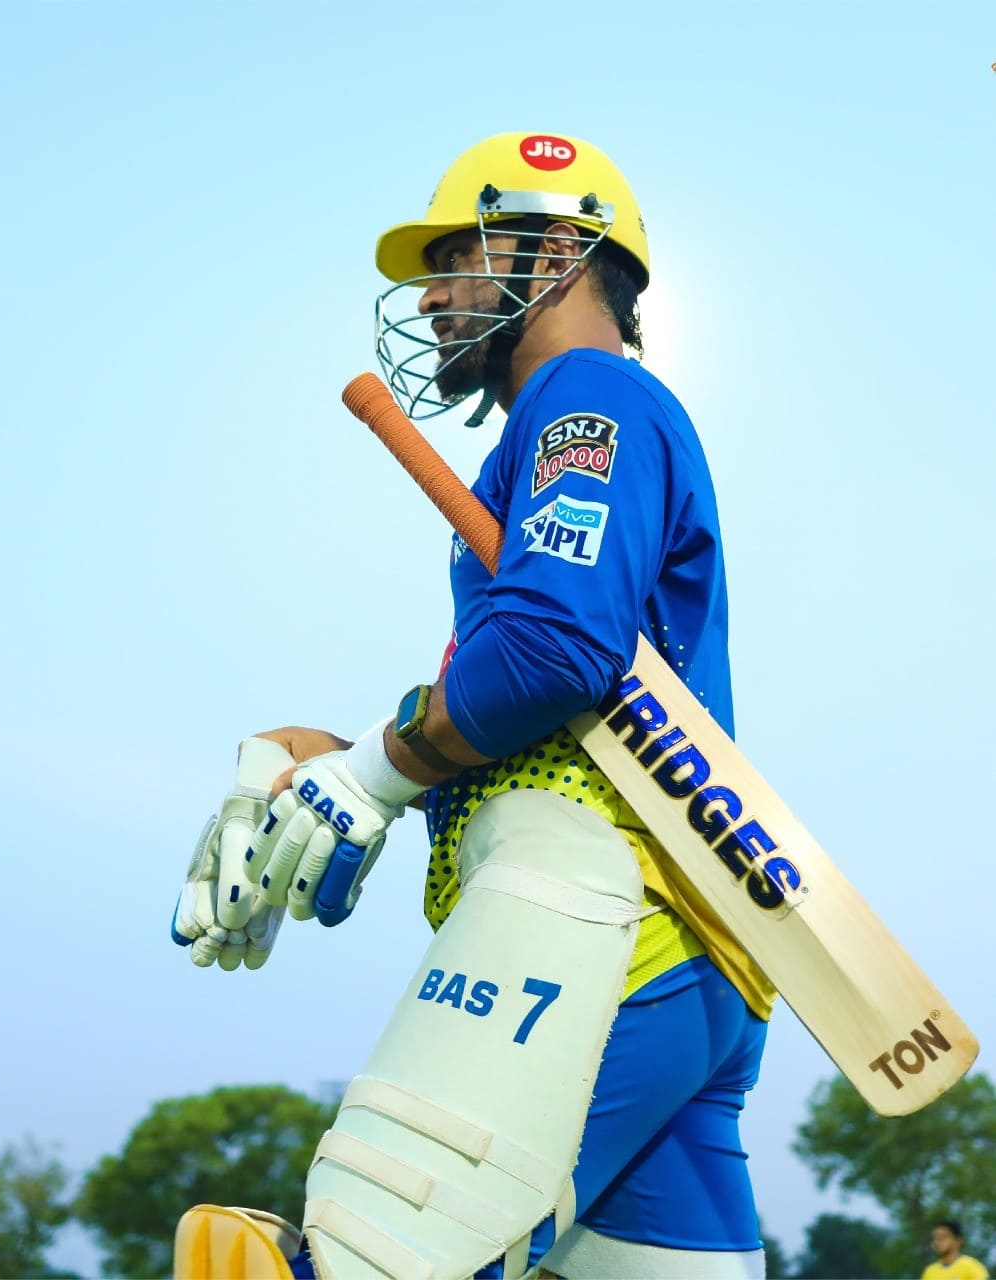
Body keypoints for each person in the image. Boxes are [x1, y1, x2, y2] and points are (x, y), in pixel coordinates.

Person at [172, 131, 778, 1280]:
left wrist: (377, 771)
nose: (433, 293)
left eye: (455, 255)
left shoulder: (585, 398)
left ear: (555, 251)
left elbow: (552, 652)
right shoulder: (568, 423)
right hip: (687, 942)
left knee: (361, 1257)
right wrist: (332, 756)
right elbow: (537, 693)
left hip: (601, 918)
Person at [921, 1221, 989, 1280]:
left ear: (957, 1241)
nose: (937, 1242)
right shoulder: (929, 1271)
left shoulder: (972, 1267)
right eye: (935, 1237)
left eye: (943, 1237)